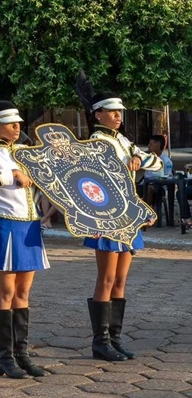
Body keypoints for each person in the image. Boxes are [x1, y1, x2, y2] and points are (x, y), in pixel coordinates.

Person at [0, 101, 49, 379]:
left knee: (24, 293)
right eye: (11, 123)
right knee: (5, 292)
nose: (18, 127)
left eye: (18, 123)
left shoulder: (26, 151)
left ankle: (22, 354)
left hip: (29, 226)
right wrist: (10, 174)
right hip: (4, 225)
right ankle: (5, 358)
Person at [84, 92, 162, 361]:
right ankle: (100, 342)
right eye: (112, 111)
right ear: (98, 114)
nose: (118, 116)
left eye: (120, 112)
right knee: (106, 279)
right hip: (107, 218)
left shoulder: (124, 140)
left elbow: (157, 162)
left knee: (120, 280)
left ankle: (114, 339)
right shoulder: (96, 142)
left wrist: (140, 159)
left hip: (128, 217)